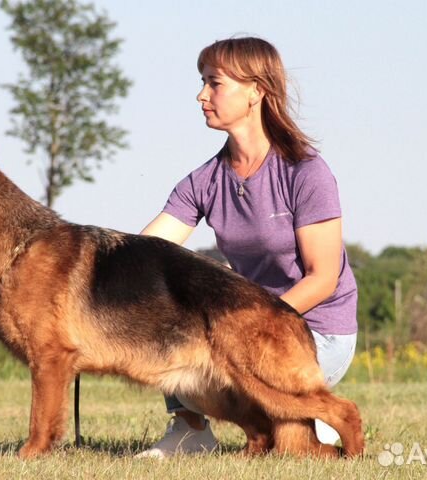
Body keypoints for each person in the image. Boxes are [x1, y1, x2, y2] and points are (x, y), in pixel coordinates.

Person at [135, 37, 358, 458]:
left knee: (274, 422)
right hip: (247, 329)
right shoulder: (203, 181)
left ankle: (306, 422)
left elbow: (323, 278)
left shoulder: (307, 173)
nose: (201, 95)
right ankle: (189, 431)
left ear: (256, 90)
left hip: (317, 331)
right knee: (166, 301)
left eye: (214, 83)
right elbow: (146, 253)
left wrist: (253, 330)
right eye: (202, 82)